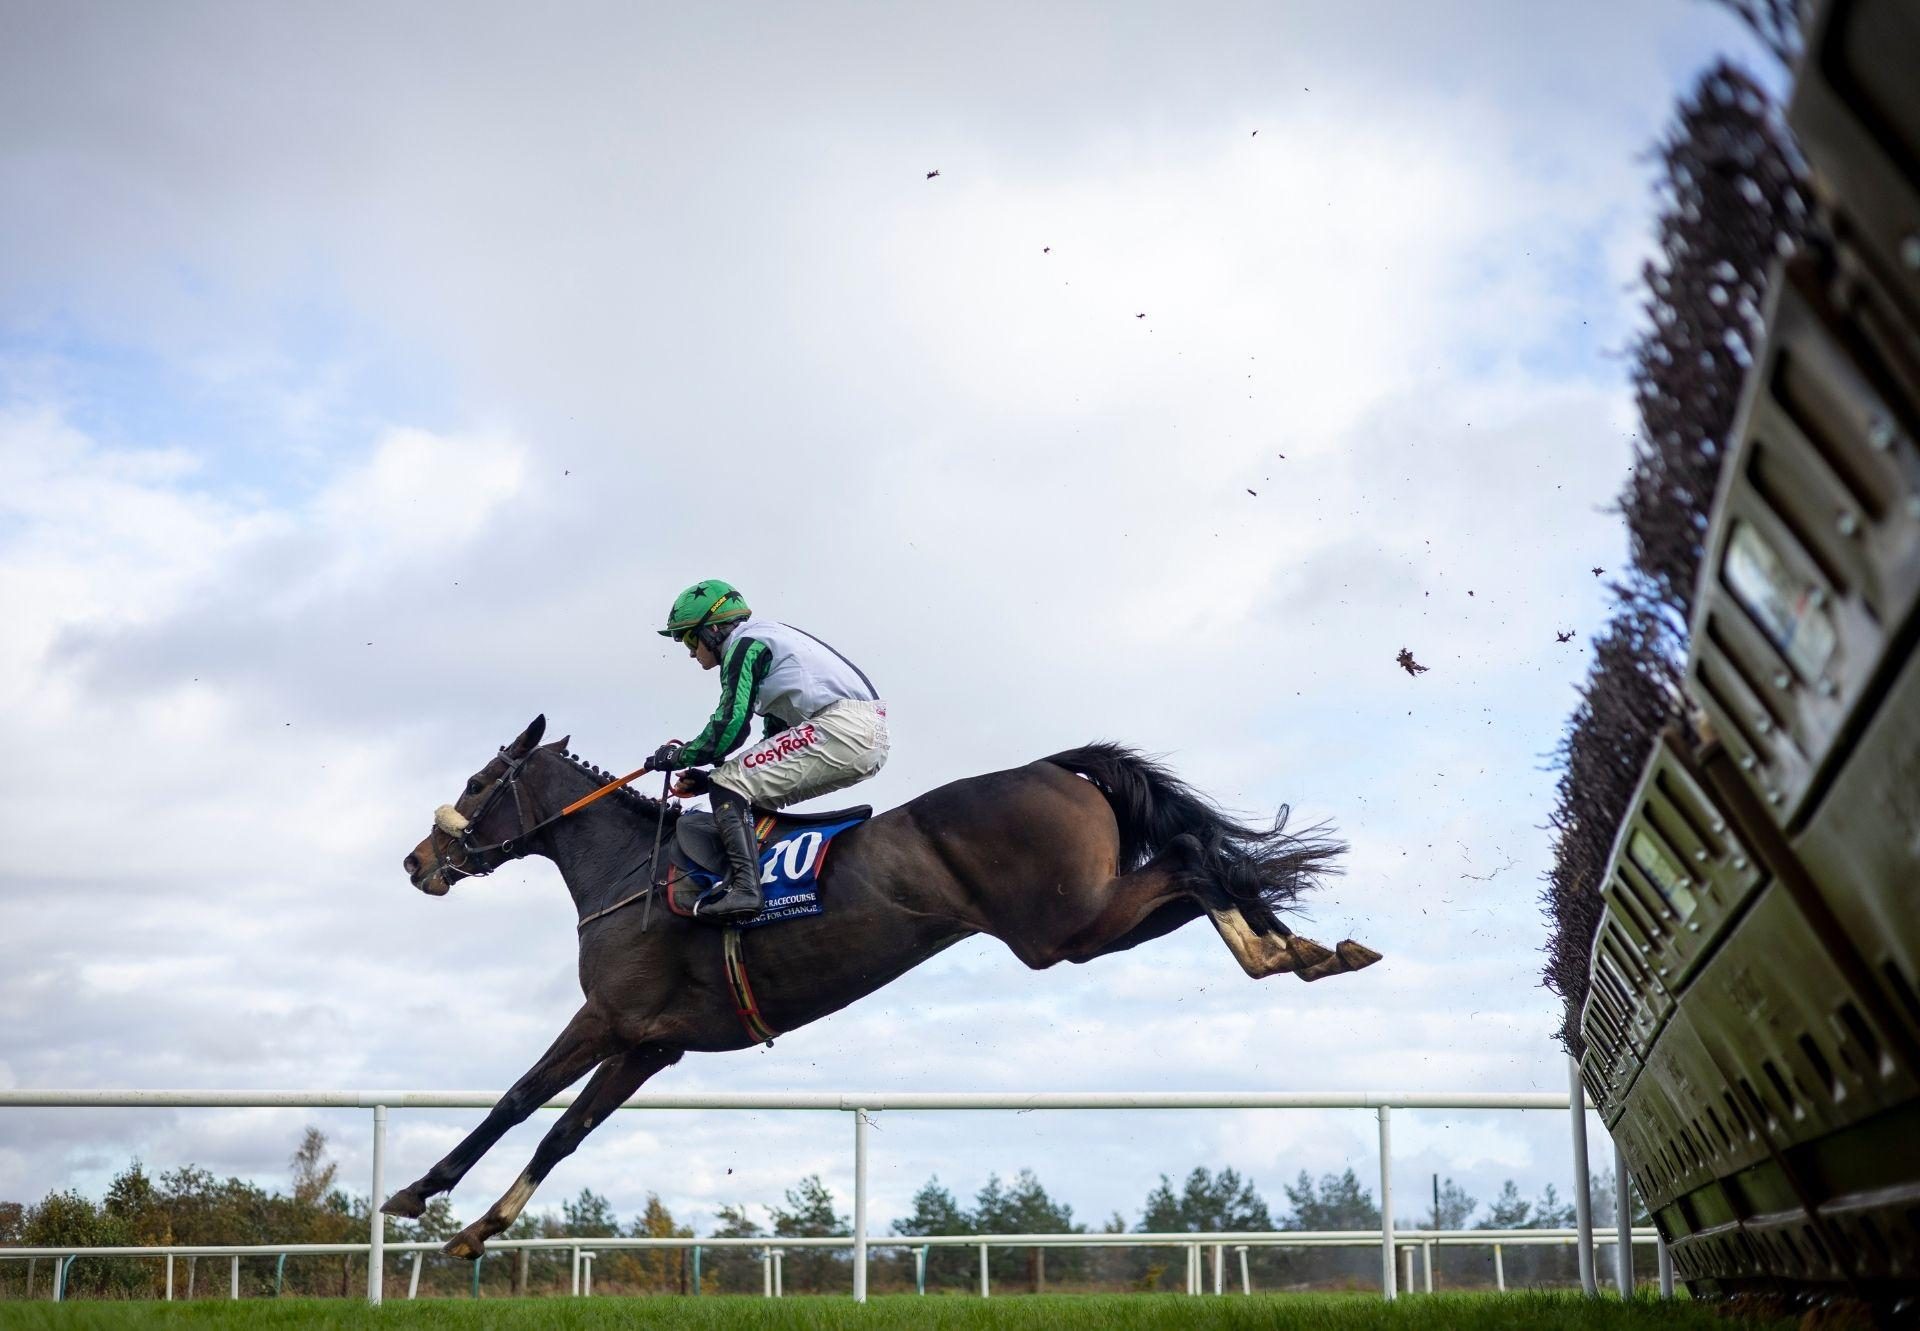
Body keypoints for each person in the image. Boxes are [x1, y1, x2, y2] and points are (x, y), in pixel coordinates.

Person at [645, 580, 888, 921]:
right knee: (739, 792)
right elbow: (771, 744)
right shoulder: (767, 639)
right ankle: (774, 892)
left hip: (842, 729)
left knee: (730, 785)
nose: (688, 651)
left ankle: (745, 890)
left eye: (688, 638)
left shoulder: (744, 646)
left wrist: (680, 755)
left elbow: (729, 726)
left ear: (713, 629)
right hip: (858, 733)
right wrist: (711, 779)